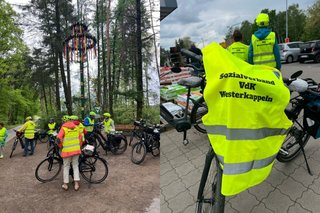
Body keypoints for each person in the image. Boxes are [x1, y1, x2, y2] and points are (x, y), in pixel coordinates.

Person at [57, 115, 84, 191]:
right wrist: (79, 147)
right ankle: (76, 184)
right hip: (76, 150)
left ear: (63, 122)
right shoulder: (76, 128)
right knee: (75, 166)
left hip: (67, 152)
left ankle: (65, 184)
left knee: (66, 166)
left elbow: (58, 139)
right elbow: (81, 138)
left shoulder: (63, 128)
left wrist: (61, 147)